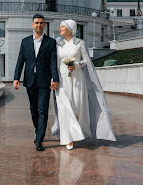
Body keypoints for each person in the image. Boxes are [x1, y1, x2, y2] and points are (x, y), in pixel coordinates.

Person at [52, 19, 116, 150]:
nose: (60, 29)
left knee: (77, 107)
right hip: (62, 80)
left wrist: (75, 65)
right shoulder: (58, 45)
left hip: (77, 79)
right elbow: (55, 63)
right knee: (65, 108)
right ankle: (68, 138)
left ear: (70, 28)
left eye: (62, 27)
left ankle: (80, 131)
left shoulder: (80, 43)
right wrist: (53, 79)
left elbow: (86, 61)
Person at [13, 13, 59, 151]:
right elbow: (20, 60)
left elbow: (53, 62)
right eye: (36, 23)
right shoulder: (25, 41)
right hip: (30, 81)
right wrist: (16, 78)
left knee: (42, 110)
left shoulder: (50, 42)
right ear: (32, 24)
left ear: (44, 25)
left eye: (41, 23)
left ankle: (39, 139)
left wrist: (55, 79)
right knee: (33, 110)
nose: (39, 25)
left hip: (44, 82)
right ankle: (38, 131)